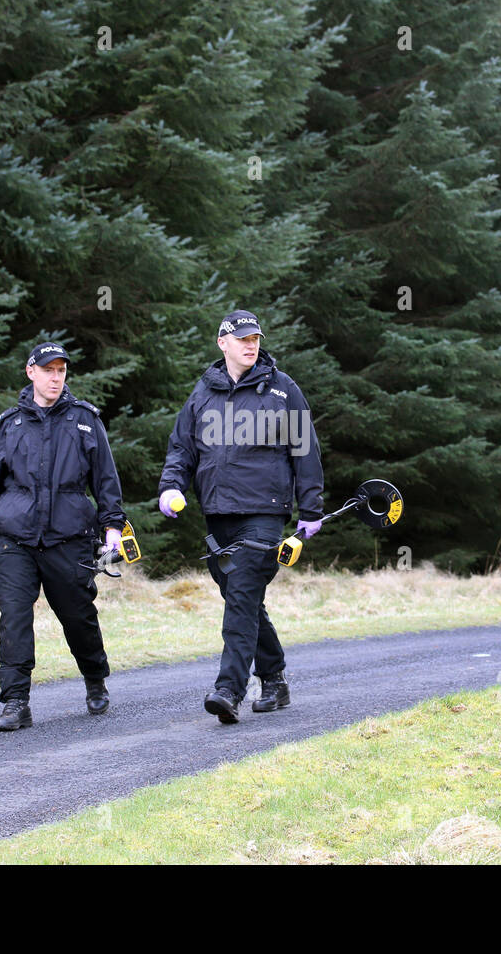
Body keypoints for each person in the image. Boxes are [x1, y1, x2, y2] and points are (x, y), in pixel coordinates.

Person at [158, 310, 324, 724]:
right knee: (240, 597)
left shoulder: (282, 390)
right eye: (243, 339)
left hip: (265, 513)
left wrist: (312, 508)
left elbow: (305, 449)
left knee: (243, 594)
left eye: (256, 339)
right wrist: (171, 486)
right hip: (218, 514)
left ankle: (229, 688)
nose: (252, 345)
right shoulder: (203, 393)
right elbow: (182, 448)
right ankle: (275, 678)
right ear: (223, 343)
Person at [0, 342, 126, 730]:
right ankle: (16, 702)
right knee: (14, 617)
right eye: (48, 370)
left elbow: (106, 482)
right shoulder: (11, 424)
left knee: (78, 616)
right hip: (16, 539)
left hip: (69, 537)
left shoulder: (85, 421)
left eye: (61, 371)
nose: (55, 377)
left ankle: (94, 678)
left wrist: (114, 530)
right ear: (30, 372)